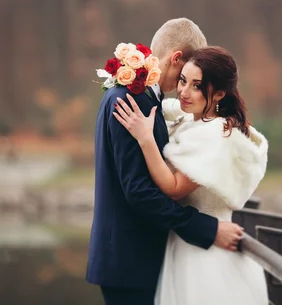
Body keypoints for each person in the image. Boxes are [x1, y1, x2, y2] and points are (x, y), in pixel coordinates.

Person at [86, 19, 245, 305]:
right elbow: (139, 192)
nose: (184, 88)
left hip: (132, 262)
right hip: (131, 263)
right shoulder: (131, 100)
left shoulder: (143, 98)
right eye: (186, 75)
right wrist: (207, 230)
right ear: (177, 59)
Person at [113, 46, 269, 304]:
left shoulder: (216, 133)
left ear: (219, 93)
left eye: (197, 86)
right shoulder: (195, 121)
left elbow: (174, 187)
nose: (184, 91)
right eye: (183, 80)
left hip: (207, 250)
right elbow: (170, 106)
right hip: (189, 242)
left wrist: (145, 139)